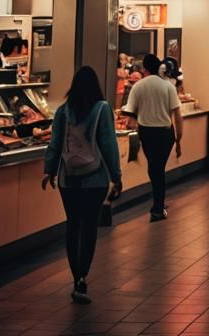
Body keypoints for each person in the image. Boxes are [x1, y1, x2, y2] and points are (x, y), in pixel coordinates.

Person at [42, 66, 122, 304]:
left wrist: (49, 170)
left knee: (73, 225)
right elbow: (109, 144)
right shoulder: (102, 109)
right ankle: (82, 279)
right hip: (95, 179)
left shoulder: (63, 111)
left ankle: (75, 274)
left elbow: (54, 143)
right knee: (88, 228)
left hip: (68, 178)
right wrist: (116, 176)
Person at [122, 52, 182, 221]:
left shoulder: (138, 86)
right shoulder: (168, 86)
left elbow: (130, 114)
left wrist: (130, 123)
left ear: (145, 68)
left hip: (147, 132)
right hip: (165, 132)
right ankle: (158, 204)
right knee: (158, 168)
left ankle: (158, 205)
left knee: (154, 167)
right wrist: (179, 140)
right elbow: (177, 115)